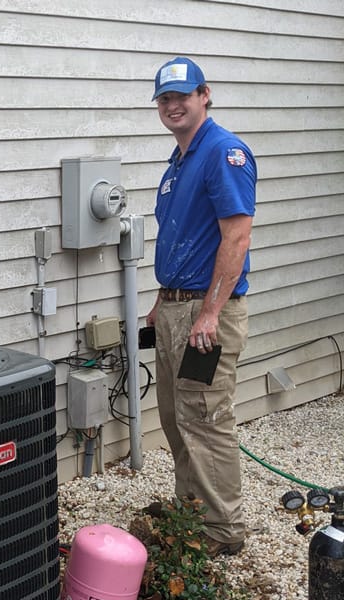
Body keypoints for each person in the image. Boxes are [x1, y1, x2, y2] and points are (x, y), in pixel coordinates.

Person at [145, 57, 257, 557]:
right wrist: (159, 303)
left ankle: (222, 531)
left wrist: (209, 313)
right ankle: (191, 513)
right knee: (176, 417)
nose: (172, 105)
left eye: (182, 96)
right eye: (164, 98)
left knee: (206, 420)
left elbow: (236, 236)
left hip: (204, 315)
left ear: (204, 95)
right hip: (176, 309)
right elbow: (181, 239)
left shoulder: (223, 152)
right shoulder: (179, 162)